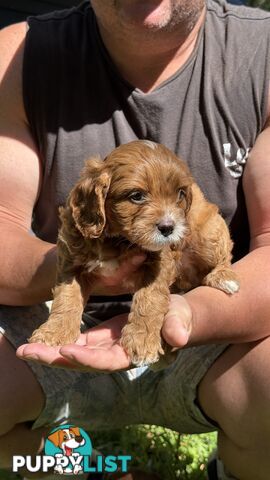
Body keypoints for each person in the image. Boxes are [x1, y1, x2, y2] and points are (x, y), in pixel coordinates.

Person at [0, 1, 270, 479]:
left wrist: (189, 312)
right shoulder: (15, 56)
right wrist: (83, 269)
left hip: (210, 334)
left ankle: (239, 470)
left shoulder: (262, 52)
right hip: (47, 325)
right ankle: (56, 466)